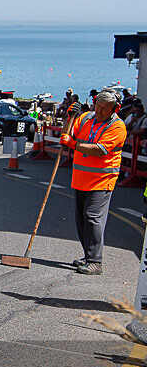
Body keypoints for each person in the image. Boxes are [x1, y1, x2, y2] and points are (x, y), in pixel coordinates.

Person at [59, 90, 127, 275]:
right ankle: (88, 255)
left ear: (115, 109)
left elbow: (99, 150)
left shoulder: (117, 127)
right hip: (80, 178)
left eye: (105, 108)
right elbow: (66, 134)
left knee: (92, 218)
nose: (99, 111)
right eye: (98, 106)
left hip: (102, 180)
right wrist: (70, 118)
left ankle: (95, 261)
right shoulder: (86, 118)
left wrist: (73, 144)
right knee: (81, 219)